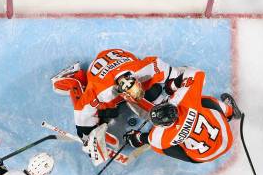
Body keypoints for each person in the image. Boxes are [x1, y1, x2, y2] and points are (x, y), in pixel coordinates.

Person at [51, 48, 209, 164]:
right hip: (98, 73)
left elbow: (178, 74)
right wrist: (87, 137)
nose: (138, 97)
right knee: (106, 113)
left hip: (120, 57)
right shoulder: (102, 93)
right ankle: (75, 79)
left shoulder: (149, 67)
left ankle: (145, 93)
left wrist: (172, 89)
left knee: (154, 93)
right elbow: (82, 113)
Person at [122, 90, 240, 163]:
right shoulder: (187, 104)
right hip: (226, 140)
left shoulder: (162, 137)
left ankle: (182, 142)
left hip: (202, 157)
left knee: (158, 146)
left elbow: (146, 138)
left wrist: (136, 138)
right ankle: (230, 112)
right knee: (204, 101)